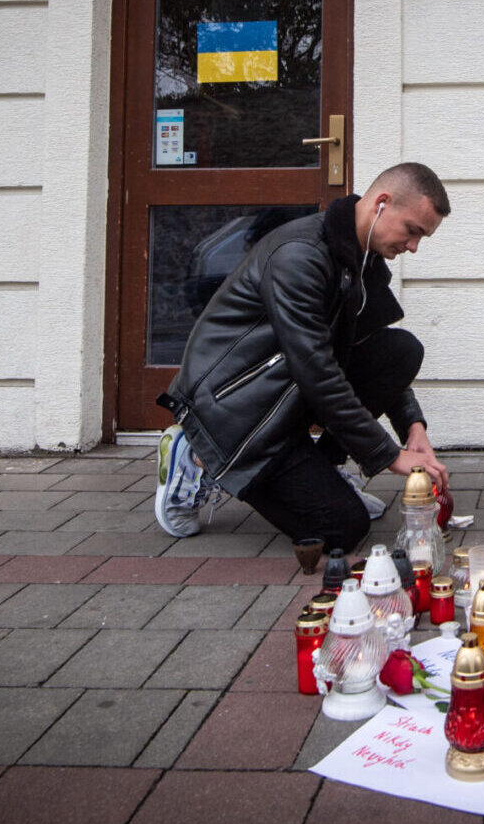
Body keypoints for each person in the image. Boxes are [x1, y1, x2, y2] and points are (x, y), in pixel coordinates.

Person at [153, 164, 453, 551]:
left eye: (422, 238)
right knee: (342, 530)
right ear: (382, 203)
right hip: (235, 412)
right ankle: (198, 456)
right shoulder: (299, 256)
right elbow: (318, 372)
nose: (413, 246)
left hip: (284, 400)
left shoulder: (364, 259)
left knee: (401, 350)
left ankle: (324, 467)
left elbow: (369, 349)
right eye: (412, 230)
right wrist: (389, 455)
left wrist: (413, 427)